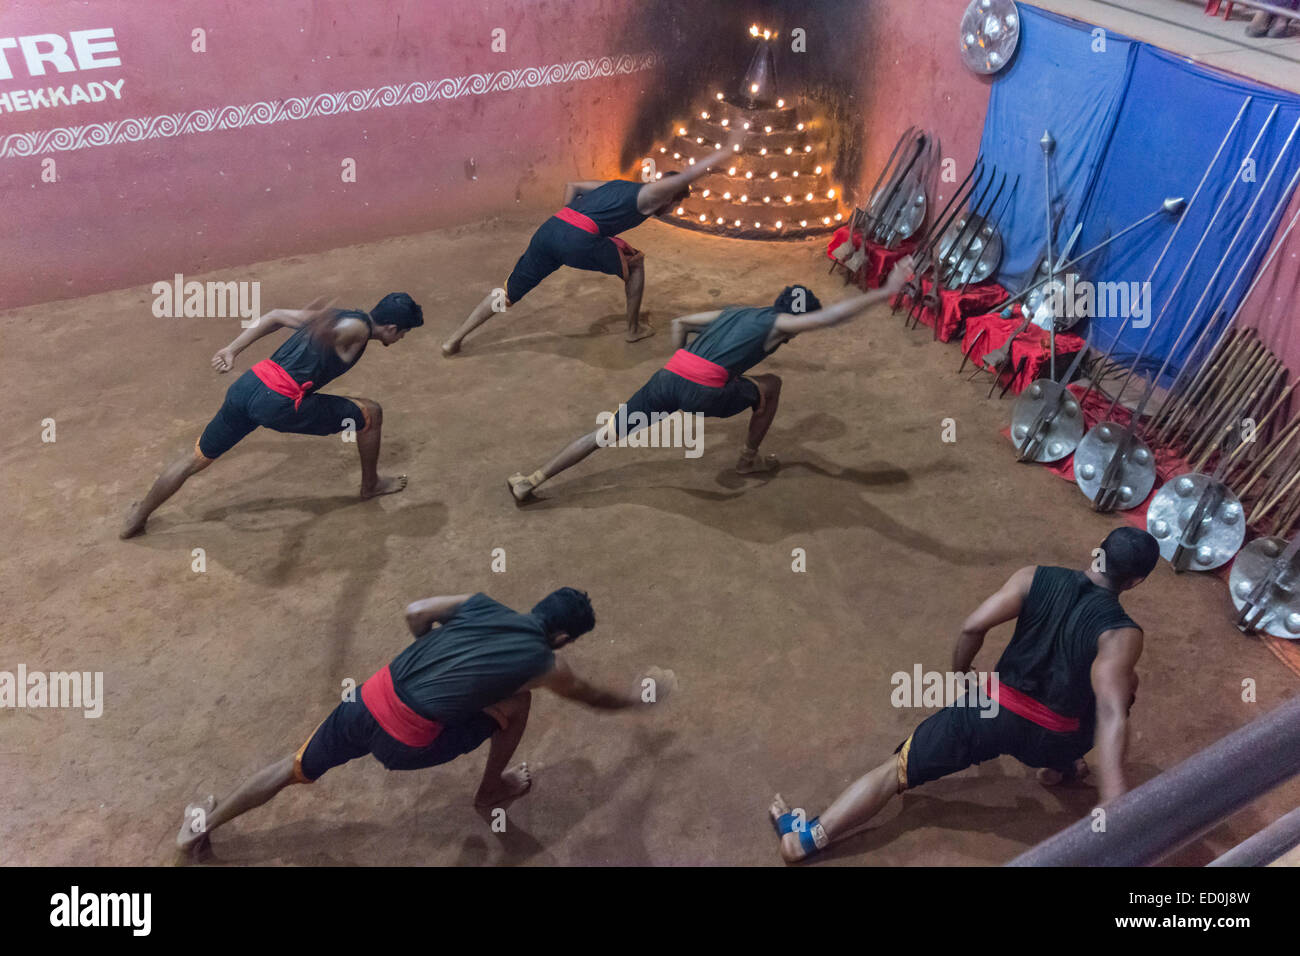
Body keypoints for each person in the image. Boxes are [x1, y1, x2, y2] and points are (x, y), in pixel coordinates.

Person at [175, 588, 676, 858]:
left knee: (293, 766)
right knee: (518, 704)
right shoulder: (548, 664)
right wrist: (639, 700)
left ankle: (201, 826)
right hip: (406, 745)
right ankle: (491, 791)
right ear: (564, 636)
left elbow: (416, 610)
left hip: (365, 702)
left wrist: (428, 656)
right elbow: (594, 700)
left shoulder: (481, 604)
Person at [769, 527, 1159, 863]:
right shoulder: (1122, 633)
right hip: (1055, 735)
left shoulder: (1032, 578)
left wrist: (961, 676)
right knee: (1124, 687)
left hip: (988, 711)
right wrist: (1114, 798)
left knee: (894, 772)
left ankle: (806, 840)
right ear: (1135, 581)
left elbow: (973, 626)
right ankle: (1060, 766)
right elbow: (1110, 711)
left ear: (1097, 549)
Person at [506, 258, 914, 502]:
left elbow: (682, 322)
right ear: (795, 320)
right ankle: (748, 461)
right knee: (771, 386)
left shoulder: (737, 312)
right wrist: (887, 290)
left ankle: (533, 479)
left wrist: (682, 368)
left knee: (606, 432)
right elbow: (833, 317)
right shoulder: (780, 324)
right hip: (701, 389)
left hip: (667, 377)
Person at [121, 293, 422, 538]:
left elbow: (276, 315)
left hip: (247, 387)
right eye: (404, 333)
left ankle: (138, 515)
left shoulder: (340, 314)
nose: (402, 338)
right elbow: (340, 334)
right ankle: (370, 485)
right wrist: (328, 334)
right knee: (370, 413)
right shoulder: (358, 329)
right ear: (393, 329)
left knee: (196, 457)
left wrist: (232, 349)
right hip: (278, 401)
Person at [440, 133, 744, 356]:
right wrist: (730, 147)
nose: (674, 209)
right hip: (578, 240)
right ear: (669, 194)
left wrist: (574, 227)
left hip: (550, 230)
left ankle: (454, 338)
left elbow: (574, 188)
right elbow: (691, 174)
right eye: (675, 203)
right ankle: (633, 330)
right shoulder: (652, 196)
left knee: (506, 293)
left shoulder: (618, 185)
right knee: (635, 262)